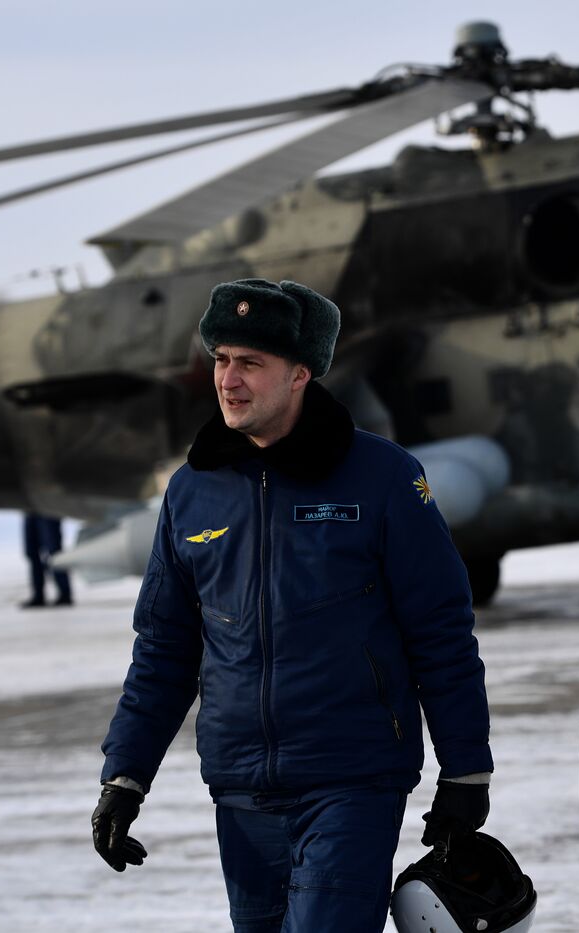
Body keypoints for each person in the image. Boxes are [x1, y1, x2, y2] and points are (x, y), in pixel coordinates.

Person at [92, 279, 494, 933]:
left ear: (300, 373)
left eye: (250, 362)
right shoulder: (193, 491)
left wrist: (466, 770)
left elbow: (441, 633)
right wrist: (125, 776)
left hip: (353, 780)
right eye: (222, 359)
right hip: (241, 787)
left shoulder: (384, 478)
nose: (229, 378)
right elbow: (164, 648)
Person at [21, 512, 72, 608]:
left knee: (54, 553)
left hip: (47, 508)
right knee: (31, 552)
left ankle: (65, 594)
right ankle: (38, 596)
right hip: (30, 509)